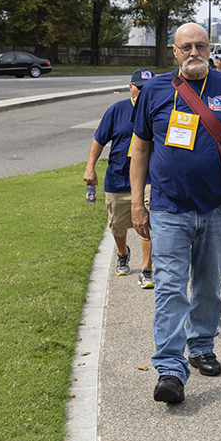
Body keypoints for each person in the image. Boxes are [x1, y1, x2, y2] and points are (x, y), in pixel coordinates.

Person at [130, 23, 221, 404]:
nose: (194, 52)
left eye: (201, 46)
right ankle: (171, 370)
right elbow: (140, 148)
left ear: (211, 49)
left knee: (208, 285)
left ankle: (202, 344)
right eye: (186, 47)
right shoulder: (156, 90)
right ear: (174, 52)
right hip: (168, 207)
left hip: (218, 207)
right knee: (171, 287)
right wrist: (136, 202)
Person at [84, 68, 155, 288]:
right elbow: (99, 140)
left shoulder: (158, 109)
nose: (142, 92)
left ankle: (146, 269)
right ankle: (123, 253)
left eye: (147, 88)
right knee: (117, 225)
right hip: (118, 177)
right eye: (139, 87)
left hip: (149, 178)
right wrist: (90, 168)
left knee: (149, 224)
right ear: (130, 86)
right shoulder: (117, 110)